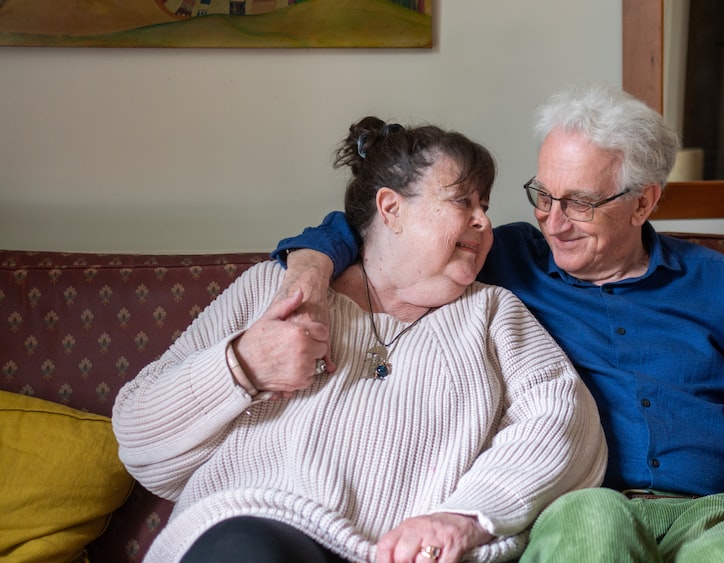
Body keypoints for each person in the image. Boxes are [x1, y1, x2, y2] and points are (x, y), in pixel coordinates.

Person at [270, 85, 724, 563]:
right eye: (541, 196)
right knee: (589, 527)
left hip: (712, 510)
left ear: (643, 202)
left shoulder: (715, 282)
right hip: (578, 499)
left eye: (579, 203)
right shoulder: (504, 258)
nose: (553, 222)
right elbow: (378, 226)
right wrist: (314, 262)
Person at [112, 116, 607, 563]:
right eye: (463, 201)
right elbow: (138, 439)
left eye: (485, 206)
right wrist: (241, 366)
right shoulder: (278, 289)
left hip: (407, 554)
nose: (483, 221)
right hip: (256, 533)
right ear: (390, 209)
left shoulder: (494, 313)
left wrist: (466, 517)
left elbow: (565, 423)